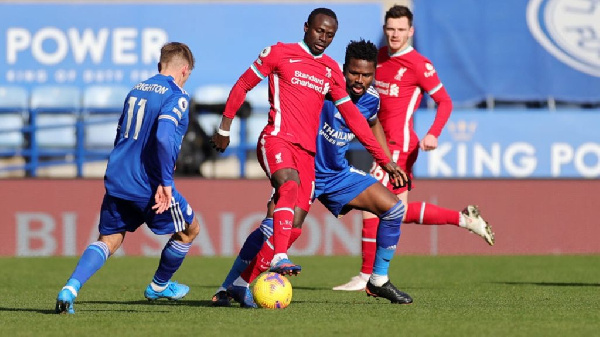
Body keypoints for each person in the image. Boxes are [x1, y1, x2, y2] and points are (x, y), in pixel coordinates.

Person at [210, 8, 406, 285]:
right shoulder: (279, 53)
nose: (323, 38)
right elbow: (243, 84)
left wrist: (384, 160)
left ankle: (235, 287)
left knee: (290, 230)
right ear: (306, 27)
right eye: (319, 31)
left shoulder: (330, 73)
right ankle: (277, 258)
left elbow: (355, 119)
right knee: (288, 188)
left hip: (310, 158)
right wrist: (224, 127)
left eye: (329, 35)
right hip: (277, 139)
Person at [332, 5, 495, 292]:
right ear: (385, 30)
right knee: (398, 210)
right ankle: (465, 219)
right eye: (390, 29)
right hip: (377, 142)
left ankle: (366, 276)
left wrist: (433, 133)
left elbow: (445, 101)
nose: (395, 35)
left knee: (371, 207)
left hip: (399, 146)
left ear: (411, 32)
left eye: (400, 30)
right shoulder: (377, 58)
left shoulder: (419, 64)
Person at [55, 42, 200, 314]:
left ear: (160, 66)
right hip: (149, 183)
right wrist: (165, 181)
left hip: (118, 176)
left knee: (109, 239)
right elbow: (163, 135)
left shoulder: (136, 90)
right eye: (188, 75)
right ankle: (159, 285)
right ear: (184, 70)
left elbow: (121, 133)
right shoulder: (177, 95)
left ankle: (70, 288)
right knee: (190, 229)